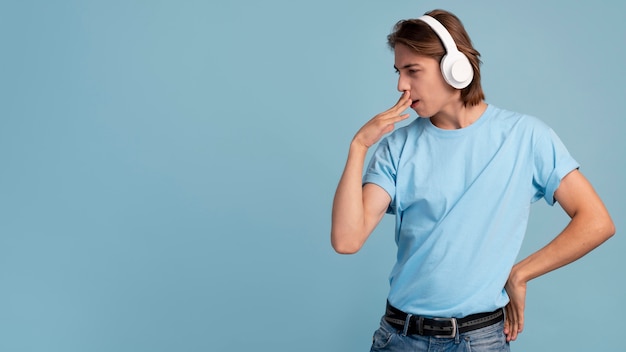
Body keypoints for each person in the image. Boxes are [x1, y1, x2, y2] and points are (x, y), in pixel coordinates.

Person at [330, 8, 615, 352]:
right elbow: (347, 240)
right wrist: (359, 146)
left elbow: (597, 221)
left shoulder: (525, 137)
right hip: (399, 338)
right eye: (398, 71)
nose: (400, 85)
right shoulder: (397, 147)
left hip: (479, 341)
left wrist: (520, 273)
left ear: (456, 67)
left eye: (412, 71)